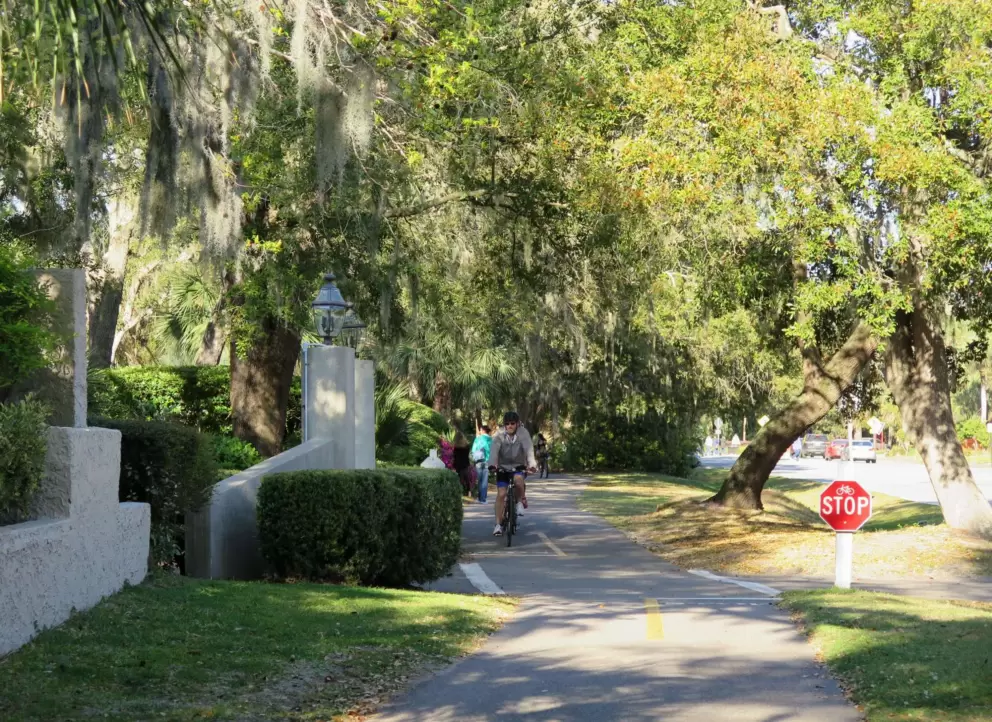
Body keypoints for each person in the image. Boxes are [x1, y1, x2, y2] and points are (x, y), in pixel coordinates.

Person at [488, 411, 537, 537]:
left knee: (519, 480)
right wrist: (492, 465)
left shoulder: (523, 433)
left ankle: (519, 502)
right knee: (501, 494)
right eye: (507, 424)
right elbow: (494, 450)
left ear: (517, 424)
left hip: (518, 466)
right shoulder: (499, 434)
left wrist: (532, 464)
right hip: (503, 468)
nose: (509, 426)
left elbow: (529, 448)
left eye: (512, 423)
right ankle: (498, 525)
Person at [471, 425, 492, 503]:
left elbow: (473, 450)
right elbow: (492, 451)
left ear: (483, 430)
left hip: (478, 461)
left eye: (480, 430)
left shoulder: (477, 439)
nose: (479, 431)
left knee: (479, 480)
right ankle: (483, 499)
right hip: (487, 461)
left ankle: (479, 498)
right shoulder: (490, 439)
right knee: (484, 481)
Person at [452, 431, 474, 497]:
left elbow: (455, 457)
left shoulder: (456, 447)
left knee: (460, 478)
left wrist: (454, 465)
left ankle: (460, 492)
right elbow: (467, 455)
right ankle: (469, 491)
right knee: (466, 478)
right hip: (465, 463)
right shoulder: (467, 446)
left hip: (458, 464)